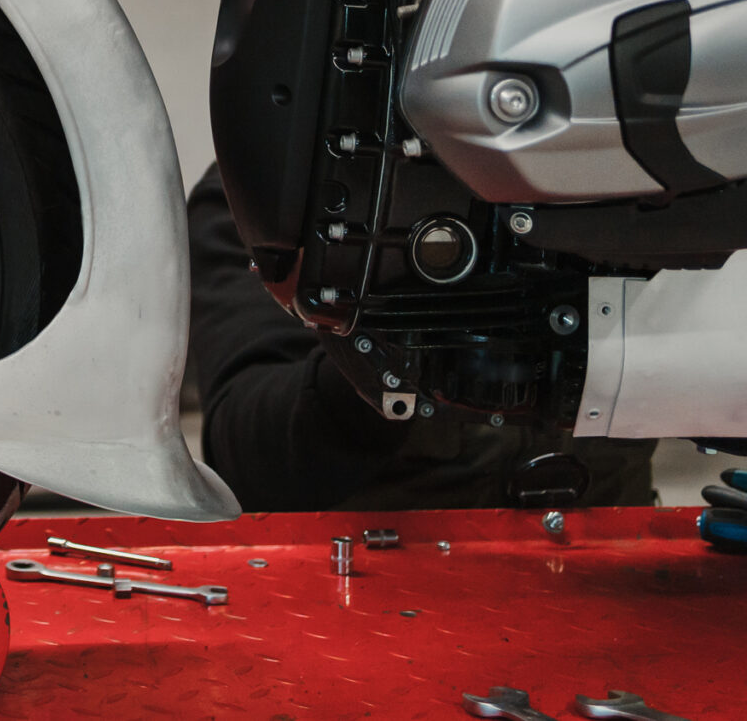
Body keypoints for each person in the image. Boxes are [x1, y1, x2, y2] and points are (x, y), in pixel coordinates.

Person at [188, 167, 655, 511]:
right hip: (381, 591)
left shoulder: (642, 170)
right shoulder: (270, 190)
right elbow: (249, 464)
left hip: (620, 568)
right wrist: (384, 357)